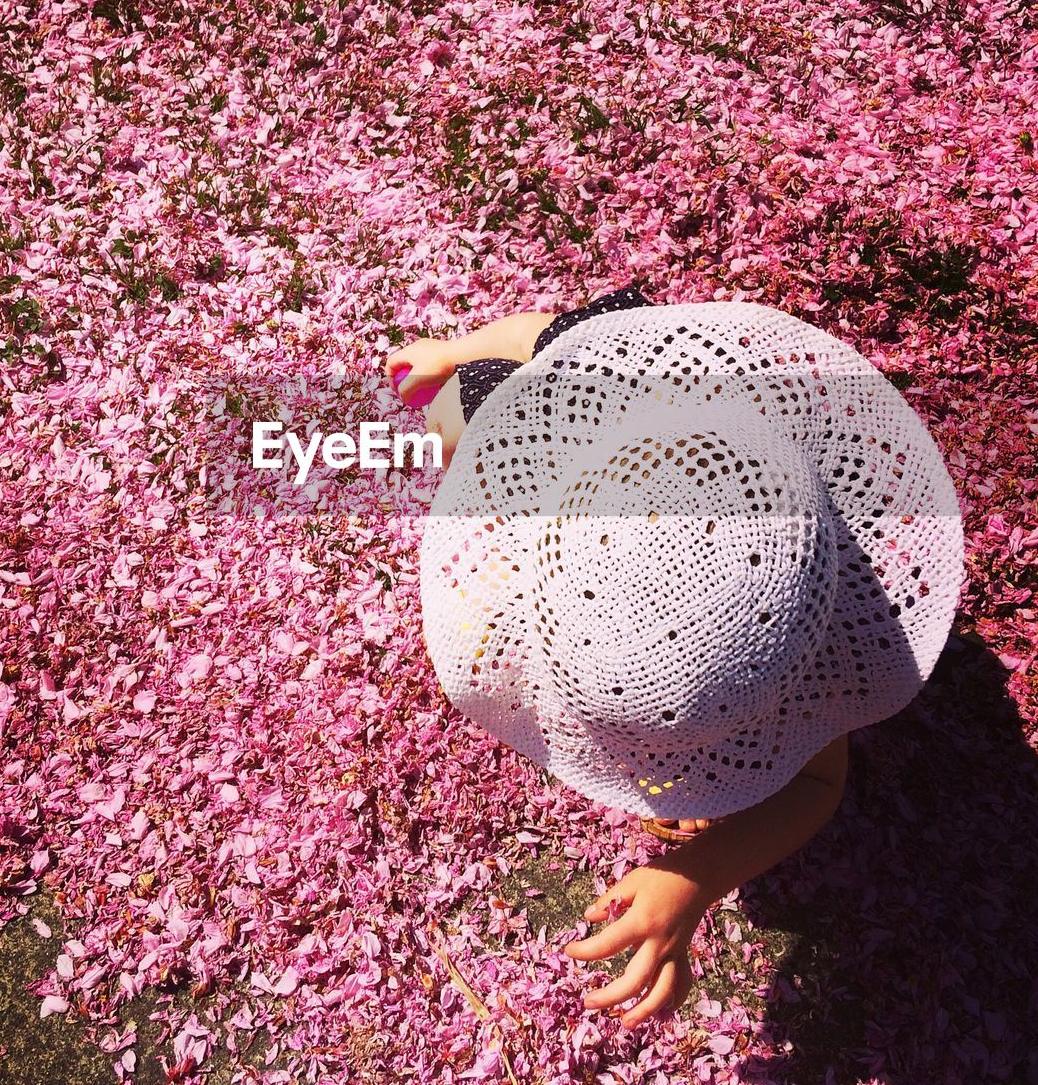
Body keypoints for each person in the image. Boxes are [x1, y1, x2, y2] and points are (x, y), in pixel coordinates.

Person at [388, 287, 964, 1028]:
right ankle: (467, 363)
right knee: (467, 409)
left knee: (497, 391)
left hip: (727, 430)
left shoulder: (789, 618)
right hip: (613, 410)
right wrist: (460, 354)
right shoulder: (565, 441)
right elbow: (544, 340)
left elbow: (819, 783)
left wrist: (697, 876)